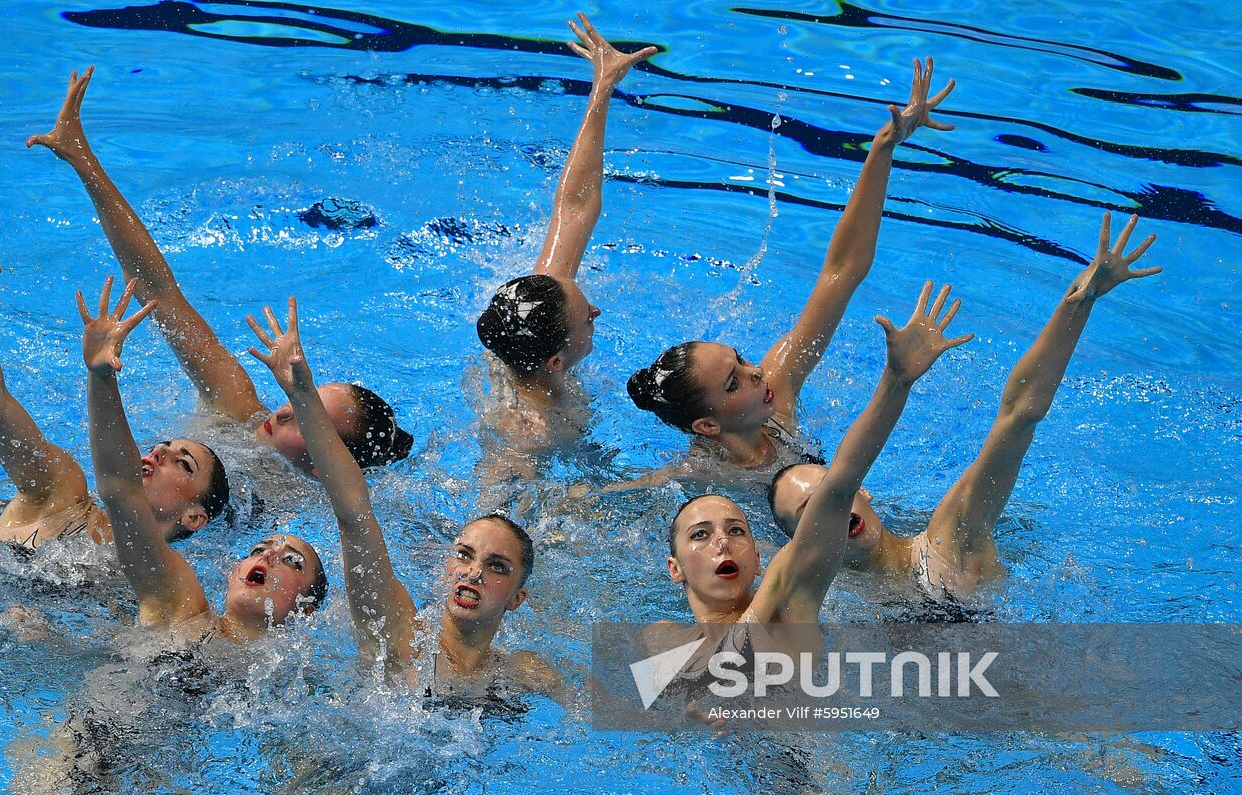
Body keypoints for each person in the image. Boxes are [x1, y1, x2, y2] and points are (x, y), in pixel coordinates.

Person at [28, 67, 411, 477]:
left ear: (326, 463)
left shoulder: (311, 517)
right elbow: (159, 290)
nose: (284, 410)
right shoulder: (235, 404)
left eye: (305, 413)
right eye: (301, 397)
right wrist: (83, 161)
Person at [769, 213, 1162, 594]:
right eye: (812, 510)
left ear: (864, 491)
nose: (835, 505)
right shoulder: (817, 608)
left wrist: (1080, 302)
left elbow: (1018, 416)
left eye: (834, 489)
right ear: (797, 546)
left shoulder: (951, 539)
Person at [625, 58, 956, 479]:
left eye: (741, 361)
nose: (756, 371)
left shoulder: (776, 395)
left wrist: (884, 146)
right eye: (734, 382)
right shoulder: (695, 479)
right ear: (707, 426)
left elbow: (842, 271)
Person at [247, 298, 559, 698]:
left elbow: (607, 716)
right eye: (463, 555)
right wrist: (304, 396)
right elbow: (354, 515)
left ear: (517, 598)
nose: (473, 573)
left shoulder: (526, 673)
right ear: (445, 567)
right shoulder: (400, 635)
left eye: (496, 566)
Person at [0, 210, 228, 550]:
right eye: (166, 446)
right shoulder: (61, 490)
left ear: (194, 517)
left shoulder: (172, 591)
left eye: (183, 463)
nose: (159, 451)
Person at [664, 281, 972, 626]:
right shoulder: (661, 639)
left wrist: (896, 381)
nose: (721, 542)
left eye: (737, 531)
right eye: (700, 535)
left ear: (759, 558)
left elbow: (843, 479)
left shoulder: (788, 598)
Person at [80, 277, 327, 638]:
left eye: (292, 562)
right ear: (232, 572)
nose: (267, 556)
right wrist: (101, 376)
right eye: (259, 548)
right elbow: (120, 491)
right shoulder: (180, 607)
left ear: (306, 612)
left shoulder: (297, 684)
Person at [474, 15, 656, 460]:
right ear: (556, 362)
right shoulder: (528, 432)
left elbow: (575, 207)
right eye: (588, 320)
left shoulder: (536, 309)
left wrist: (602, 88)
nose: (596, 309)